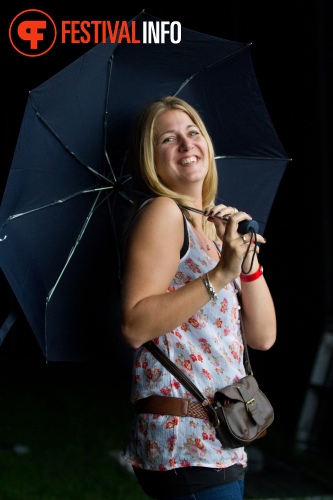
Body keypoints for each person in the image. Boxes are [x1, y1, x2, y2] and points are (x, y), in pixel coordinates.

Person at [120, 96, 276, 500]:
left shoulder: (213, 232)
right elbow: (134, 325)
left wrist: (245, 261)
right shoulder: (162, 214)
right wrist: (221, 272)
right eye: (169, 139)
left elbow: (263, 337)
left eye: (193, 133)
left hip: (221, 439)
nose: (187, 145)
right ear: (151, 160)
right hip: (184, 440)